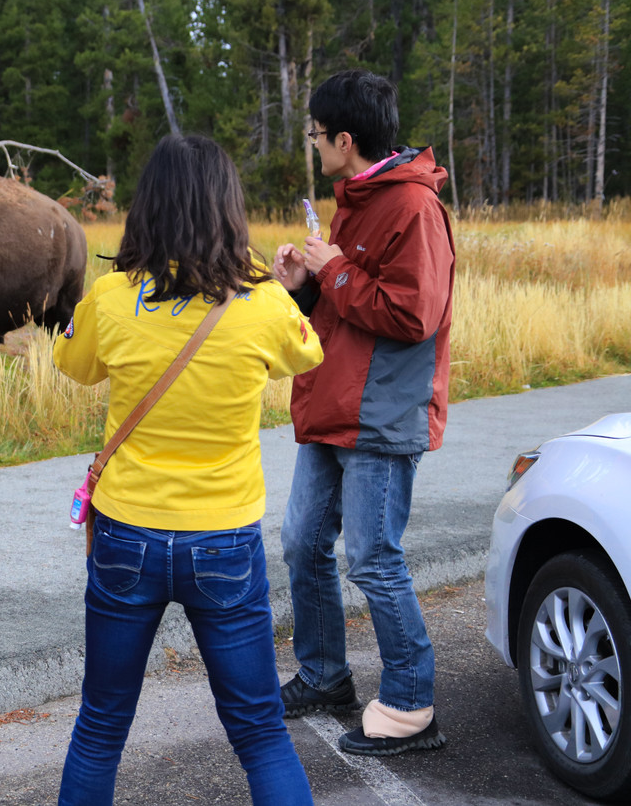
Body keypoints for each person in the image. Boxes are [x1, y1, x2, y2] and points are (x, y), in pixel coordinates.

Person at [53, 135, 324, 806]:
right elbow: (308, 353)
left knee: (100, 725)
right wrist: (279, 284)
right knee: (261, 733)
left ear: (148, 208)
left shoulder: (114, 297)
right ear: (229, 210)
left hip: (125, 536)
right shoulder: (262, 304)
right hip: (225, 540)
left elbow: (73, 363)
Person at [272, 69, 455, 756]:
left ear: (345, 139)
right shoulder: (358, 198)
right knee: (302, 543)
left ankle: (411, 704)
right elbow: (347, 305)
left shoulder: (412, 208)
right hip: (334, 403)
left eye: (318, 135)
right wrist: (304, 286)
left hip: (381, 413)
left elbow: (413, 314)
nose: (314, 146)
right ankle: (324, 675)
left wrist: (336, 269)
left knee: (375, 559)